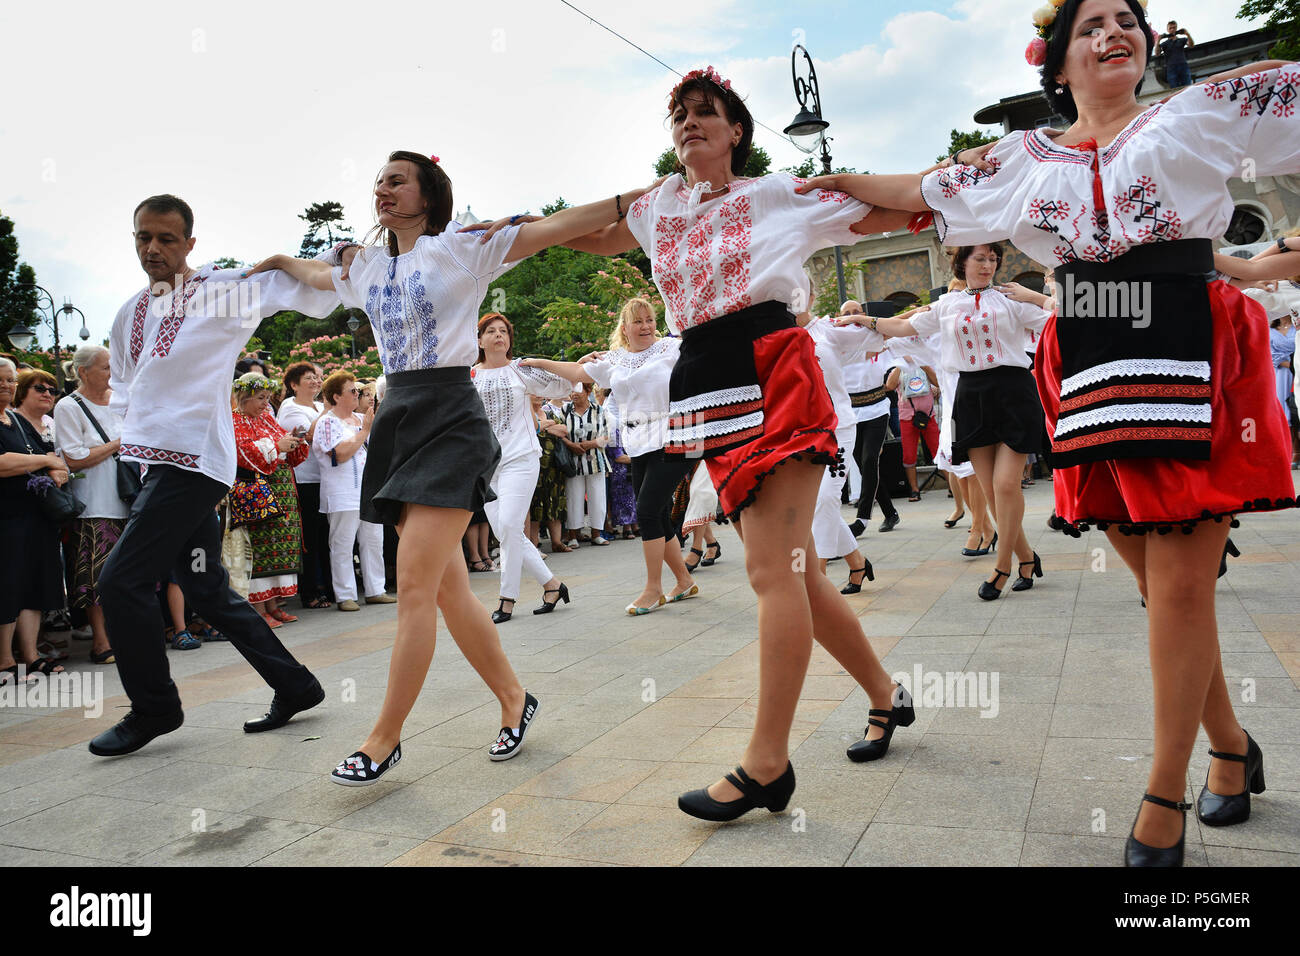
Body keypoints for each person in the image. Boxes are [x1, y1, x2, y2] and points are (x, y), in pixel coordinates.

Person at [798, 1, 1296, 864]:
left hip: (1189, 334)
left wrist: (1262, 263)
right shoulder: (1021, 159)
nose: (1115, 33)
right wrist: (823, 187)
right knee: (1156, 579)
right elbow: (917, 190)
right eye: (1092, 24)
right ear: (1057, 60)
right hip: (1090, 349)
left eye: (1127, 19)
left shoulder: (1209, 111)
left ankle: (1161, 793)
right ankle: (1229, 745)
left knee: (1181, 583)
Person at [518, 67, 918, 819]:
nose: (691, 124)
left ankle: (767, 763)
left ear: (738, 132)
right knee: (795, 573)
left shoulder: (776, 195)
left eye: (708, 113)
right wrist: (514, 233)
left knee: (773, 571)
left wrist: (860, 176)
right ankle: (885, 695)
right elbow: (590, 236)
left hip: (772, 366)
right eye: (681, 116)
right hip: (702, 380)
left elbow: (878, 212)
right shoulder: (660, 207)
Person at [249, 150, 661, 779]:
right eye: (378, 182)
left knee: (413, 582)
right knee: (445, 587)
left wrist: (636, 195)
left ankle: (384, 738)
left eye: (397, 180)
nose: (382, 190)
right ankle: (515, 701)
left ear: (428, 193)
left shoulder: (462, 248)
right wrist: (278, 261)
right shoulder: (364, 266)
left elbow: (555, 226)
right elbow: (313, 276)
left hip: (450, 416)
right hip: (399, 418)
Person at [90, 194, 336, 757]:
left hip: (196, 464)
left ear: (190, 245)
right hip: (157, 466)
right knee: (207, 589)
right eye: (143, 237)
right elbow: (128, 388)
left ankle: (155, 708)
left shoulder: (221, 291)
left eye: (167, 239)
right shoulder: (128, 312)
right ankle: (296, 685)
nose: (152, 248)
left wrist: (323, 259)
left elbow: (307, 288)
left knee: (119, 583)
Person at [841, 246, 1052, 599]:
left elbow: (1066, 316)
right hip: (971, 397)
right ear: (962, 263)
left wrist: (1036, 296)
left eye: (992, 259)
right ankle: (1027, 558)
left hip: (1013, 392)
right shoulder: (946, 306)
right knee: (990, 491)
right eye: (980, 259)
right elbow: (904, 326)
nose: (988, 266)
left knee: (1004, 486)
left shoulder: (1011, 300)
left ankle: (1002, 567)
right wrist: (865, 320)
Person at [520, 296, 698, 613]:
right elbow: (577, 371)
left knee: (646, 510)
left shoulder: (670, 349)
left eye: (650, 320)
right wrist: (537, 362)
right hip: (638, 440)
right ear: (625, 328)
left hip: (672, 435)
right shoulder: (616, 360)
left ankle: (653, 588)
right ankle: (684, 580)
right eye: (638, 321)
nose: (645, 326)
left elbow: (700, 350)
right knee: (656, 512)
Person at [472, 312, 575, 623]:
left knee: (509, 527)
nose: (498, 335)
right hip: (486, 466)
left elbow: (564, 384)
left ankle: (507, 599)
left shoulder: (520, 370)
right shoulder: (469, 376)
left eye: (504, 331)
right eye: (491, 331)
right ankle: (552, 585)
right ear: (480, 340)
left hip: (521, 458)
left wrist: (541, 363)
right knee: (507, 531)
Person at [53, 345, 129, 665]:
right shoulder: (69, 406)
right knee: (94, 576)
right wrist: (116, 444)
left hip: (128, 500)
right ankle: (100, 641)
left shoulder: (121, 402)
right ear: (82, 372)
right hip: (94, 503)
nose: (112, 374)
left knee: (126, 574)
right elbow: (73, 458)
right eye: (105, 368)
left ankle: (125, 635)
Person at [0, 360, 71, 685]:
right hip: (7, 516)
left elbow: (50, 455)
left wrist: (56, 469)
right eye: (0, 380)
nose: (6, 385)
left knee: (35, 583)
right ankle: (5, 660)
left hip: (36, 515)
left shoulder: (15, 419)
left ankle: (30, 655)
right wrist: (45, 461)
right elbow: (4, 463)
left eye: (10, 380)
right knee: (9, 583)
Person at [232, 373, 310, 627]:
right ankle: (258, 607)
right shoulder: (236, 420)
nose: (266, 403)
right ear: (244, 397)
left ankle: (274, 604)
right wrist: (277, 445)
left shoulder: (266, 417)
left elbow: (280, 440)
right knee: (260, 549)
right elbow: (244, 452)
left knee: (279, 549)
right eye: (260, 398)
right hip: (257, 492)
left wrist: (292, 442)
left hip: (281, 489)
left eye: (267, 398)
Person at [312, 370, 394, 611]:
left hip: (368, 492)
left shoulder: (360, 420)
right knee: (343, 543)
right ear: (337, 396)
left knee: (373, 540)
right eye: (352, 391)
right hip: (342, 492)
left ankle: (376, 589)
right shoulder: (327, 422)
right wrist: (366, 431)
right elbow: (340, 453)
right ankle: (345, 594)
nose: (358, 394)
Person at [841, 301, 902, 535]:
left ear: (864, 315)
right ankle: (890, 512)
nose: (852, 317)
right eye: (847, 314)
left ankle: (862, 520)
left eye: (856, 312)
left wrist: (898, 367)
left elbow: (892, 377)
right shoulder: (839, 344)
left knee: (869, 461)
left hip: (876, 408)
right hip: (850, 412)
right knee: (865, 465)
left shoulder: (879, 340)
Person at [276, 361, 332, 609]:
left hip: (326, 478)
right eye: (309, 378)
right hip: (304, 479)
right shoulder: (290, 408)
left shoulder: (320, 406)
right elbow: (310, 434)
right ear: (294, 385)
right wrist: (328, 410)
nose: (316, 382)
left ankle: (326, 587)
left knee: (324, 535)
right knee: (309, 536)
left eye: (317, 378)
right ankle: (309, 591)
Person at [561, 382, 611, 548]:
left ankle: (596, 533)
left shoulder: (599, 410)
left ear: (588, 391)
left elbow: (606, 437)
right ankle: (573, 535)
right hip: (573, 461)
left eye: (578, 391)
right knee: (573, 496)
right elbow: (560, 434)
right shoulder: (565, 410)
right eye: (571, 391)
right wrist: (570, 444)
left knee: (597, 496)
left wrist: (589, 444)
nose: (574, 394)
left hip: (595, 460)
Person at [527, 392, 572, 554]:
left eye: (540, 395)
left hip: (553, 467)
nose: (539, 397)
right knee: (535, 505)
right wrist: (549, 425)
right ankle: (534, 543)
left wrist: (542, 424)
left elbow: (563, 430)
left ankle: (556, 542)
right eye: (535, 395)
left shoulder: (549, 412)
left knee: (555, 503)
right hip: (534, 467)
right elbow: (530, 429)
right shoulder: (525, 412)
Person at [1159, 20, 1194, 89]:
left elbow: (1191, 45)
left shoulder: (1182, 40)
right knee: (1174, 89)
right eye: (1170, 28)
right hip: (1171, 67)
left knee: (1187, 87)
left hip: (1183, 65)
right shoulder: (1165, 43)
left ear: (1176, 28)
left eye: (1174, 28)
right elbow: (1157, 53)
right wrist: (1158, 41)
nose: (1172, 30)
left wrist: (1187, 34)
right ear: (1167, 30)